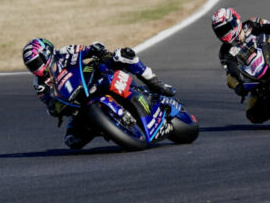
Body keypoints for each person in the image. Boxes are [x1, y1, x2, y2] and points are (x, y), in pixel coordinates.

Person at [22, 37, 175, 149]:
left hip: (95, 79)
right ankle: (103, 126)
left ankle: (155, 83)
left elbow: (89, 49)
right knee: (72, 141)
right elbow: (49, 102)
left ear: (46, 53)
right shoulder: (39, 84)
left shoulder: (64, 53)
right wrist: (54, 109)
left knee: (124, 54)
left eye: (36, 62)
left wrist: (97, 50)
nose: (36, 69)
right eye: (31, 66)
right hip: (78, 104)